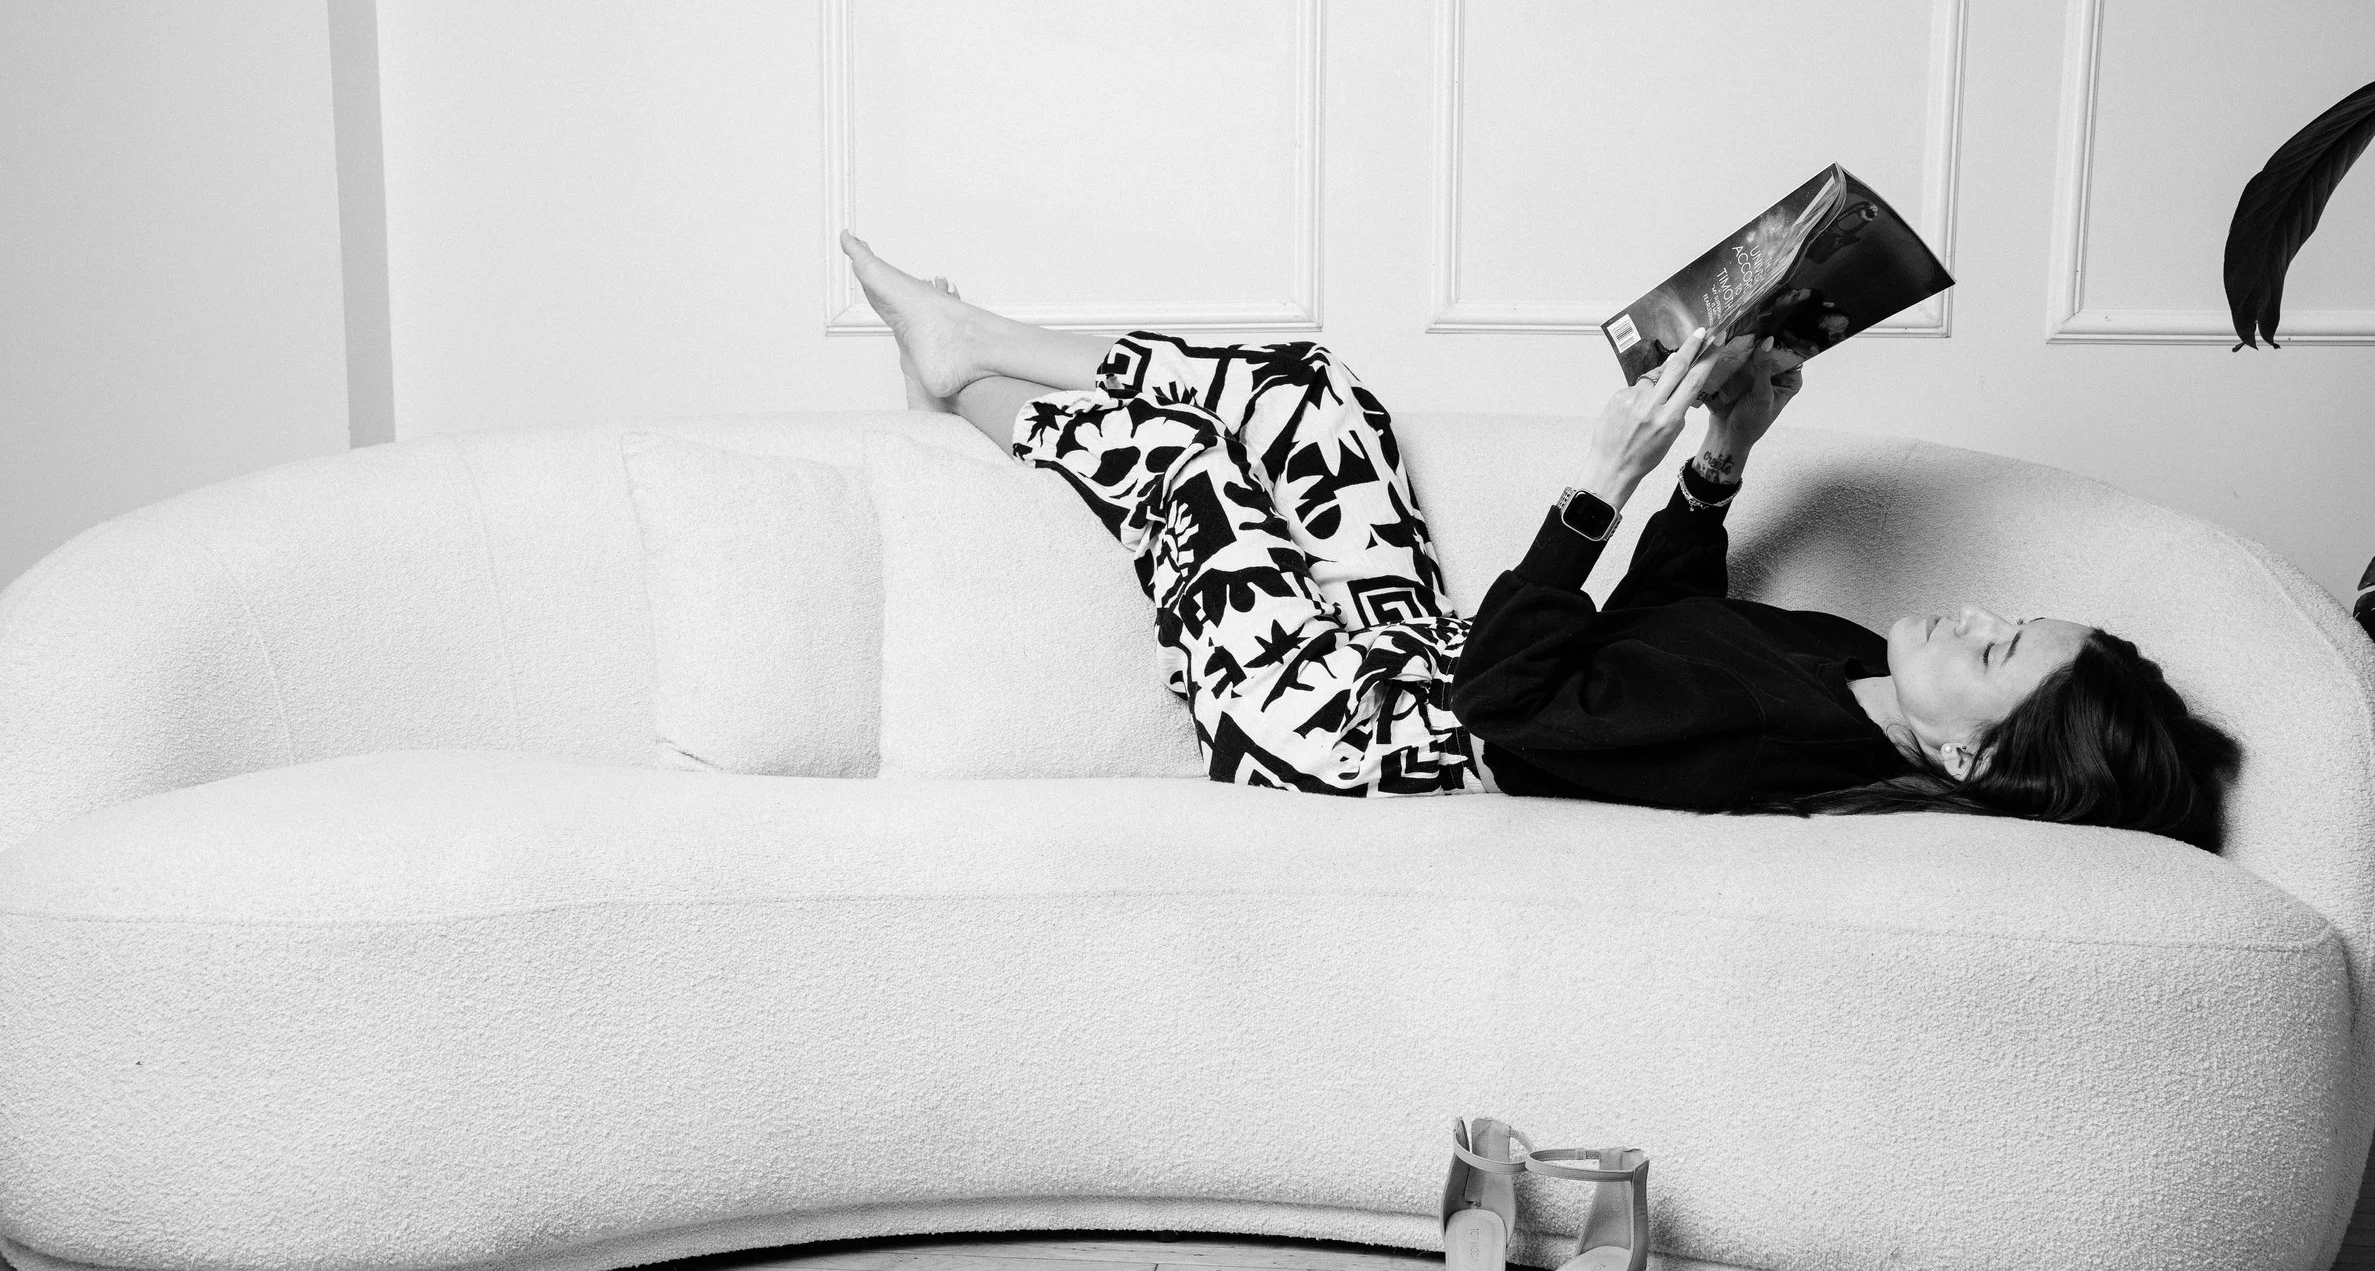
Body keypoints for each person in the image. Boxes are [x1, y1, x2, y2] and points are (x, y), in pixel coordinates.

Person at [839, 232, 2239, 847]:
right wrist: (1714, 467)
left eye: (1998, 653)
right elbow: (1661, 630)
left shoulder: (1781, 752)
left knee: (1194, 469)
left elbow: (1509, 698)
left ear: (1967, 753)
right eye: (2015, 615)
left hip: (1350, 735)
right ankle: (975, 350)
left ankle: (960, 377)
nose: (1979, 614)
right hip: (1423, 666)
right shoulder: (1851, 663)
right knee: (1322, 397)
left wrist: (1597, 487)